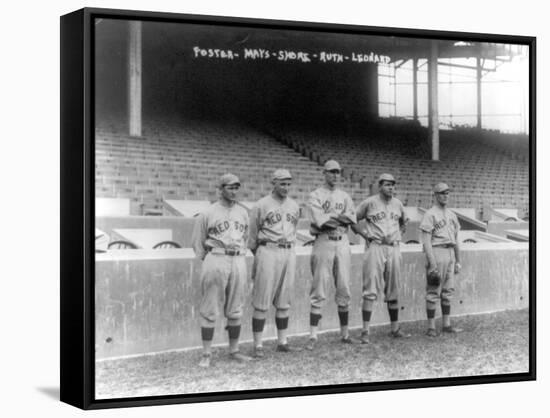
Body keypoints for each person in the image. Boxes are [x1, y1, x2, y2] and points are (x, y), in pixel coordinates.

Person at [192, 173, 252, 368]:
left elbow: (247, 237)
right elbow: (198, 244)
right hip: (216, 256)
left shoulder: (243, 212)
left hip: (238, 258)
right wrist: (211, 259)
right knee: (210, 307)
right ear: (221, 189)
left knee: (236, 308)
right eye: (230, 187)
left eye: (236, 187)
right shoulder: (207, 213)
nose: (234, 191)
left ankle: (234, 350)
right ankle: (206, 353)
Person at [248, 169, 301, 358]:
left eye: (288, 184)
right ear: (274, 183)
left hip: (288, 251)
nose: (286, 187)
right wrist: (262, 253)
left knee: (284, 300)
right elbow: (252, 236)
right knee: (262, 300)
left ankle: (282, 342)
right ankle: (258, 345)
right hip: (268, 250)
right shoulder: (261, 205)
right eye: (282, 184)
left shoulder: (294, 205)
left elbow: (294, 229)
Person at [305, 160, 358, 350]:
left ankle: (344, 334)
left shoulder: (344, 196)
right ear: (324, 173)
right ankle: (312, 336)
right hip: (323, 242)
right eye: (332, 172)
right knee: (319, 288)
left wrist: (333, 219)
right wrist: (339, 219)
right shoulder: (315, 195)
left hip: (342, 242)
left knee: (344, 288)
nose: (335, 175)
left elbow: (352, 218)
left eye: (338, 172)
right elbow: (320, 222)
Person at [352, 173, 410, 344]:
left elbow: (404, 222)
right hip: (375, 246)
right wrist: (363, 234)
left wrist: (399, 232)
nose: (391, 187)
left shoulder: (398, 203)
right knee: (370, 289)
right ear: (380, 186)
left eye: (393, 185)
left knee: (394, 288)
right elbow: (352, 219)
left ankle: (395, 328)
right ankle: (365, 331)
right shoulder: (369, 203)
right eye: (387, 184)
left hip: (393, 248)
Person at [419, 183, 463, 337]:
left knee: (448, 290)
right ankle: (431, 327)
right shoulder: (430, 214)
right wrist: (432, 263)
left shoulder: (452, 215)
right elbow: (426, 241)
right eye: (442, 193)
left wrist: (458, 260)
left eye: (447, 193)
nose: (446, 195)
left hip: (450, 252)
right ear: (436, 195)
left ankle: (446, 325)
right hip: (437, 252)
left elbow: (457, 240)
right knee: (433, 290)